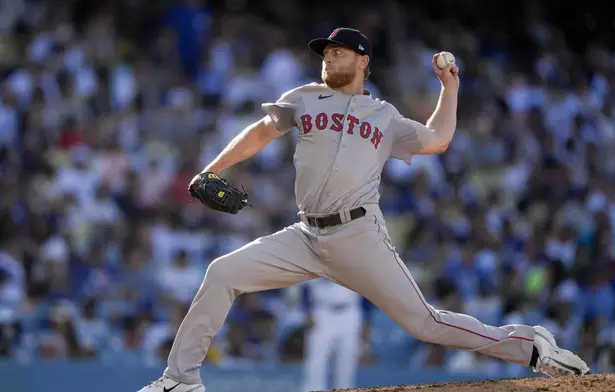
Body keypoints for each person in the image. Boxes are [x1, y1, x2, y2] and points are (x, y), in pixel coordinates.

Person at [138, 27, 589, 392]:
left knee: (426, 324)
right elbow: (259, 132)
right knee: (221, 272)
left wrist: (448, 88)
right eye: (326, 53)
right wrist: (209, 170)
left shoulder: (385, 116)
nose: (329, 59)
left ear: (362, 61)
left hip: (358, 236)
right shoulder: (304, 97)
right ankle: (181, 380)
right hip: (305, 236)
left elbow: (439, 139)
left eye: (339, 53)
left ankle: (529, 345)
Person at [299, 279, 369, 391]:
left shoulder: (355, 264)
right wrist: (307, 312)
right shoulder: (317, 261)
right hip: (322, 311)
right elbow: (305, 288)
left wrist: (367, 320)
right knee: (316, 361)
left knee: (347, 362)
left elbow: (367, 292)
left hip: (350, 311)